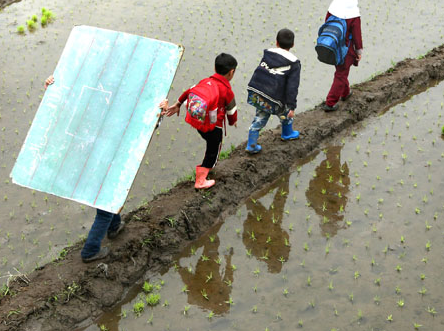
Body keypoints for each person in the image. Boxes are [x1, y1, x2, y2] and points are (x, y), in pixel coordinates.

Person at [43, 75, 146, 263]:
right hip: (97, 164)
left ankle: (114, 226)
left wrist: (159, 111)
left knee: (109, 199)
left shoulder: (104, 110)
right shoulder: (101, 112)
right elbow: (63, 108)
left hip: (99, 164)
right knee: (105, 209)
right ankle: (90, 251)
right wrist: (53, 86)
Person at [162, 53, 238, 189]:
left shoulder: (205, 81)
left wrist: (178, 104)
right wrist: (233, 122)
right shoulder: (227, 90)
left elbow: (189, 91)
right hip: (214, 127)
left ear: (214, 68)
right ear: (231, 72)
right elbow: (231, 111)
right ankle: (201, 180)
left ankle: (205, 172)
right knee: (213, 150)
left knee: (209, 142)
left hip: (199, 123)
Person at [245, 28, 301, 154]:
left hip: (257, 91)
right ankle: (287, 133)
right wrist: (292, 106)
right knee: (286, 113)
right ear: (292, 44)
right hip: (274, 97)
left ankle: (251, 144)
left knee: (260, 117)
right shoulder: (294, 63)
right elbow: (292, 87)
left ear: (276, 42)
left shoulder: (268, 54)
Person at [323, 0, 363, 111]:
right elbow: (357, 36)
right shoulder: (353, 14)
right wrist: (359, 52)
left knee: (341, 71)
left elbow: (327, 25)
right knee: (341, 74)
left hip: (332, 46)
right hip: (346, 50)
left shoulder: (333, 8)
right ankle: (330, 102)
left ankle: (346, 93)